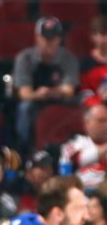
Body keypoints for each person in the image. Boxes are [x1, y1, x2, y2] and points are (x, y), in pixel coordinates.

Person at [14, 16, 79, 150]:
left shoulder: (69, 58)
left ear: (59, 39)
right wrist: (40, 94)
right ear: (37, 37)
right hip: (35, 100)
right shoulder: (24, 58)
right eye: (45, 38)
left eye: (53, 38)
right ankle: (22, 147)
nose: (49, 42)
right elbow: (24, 94)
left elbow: (69, 91)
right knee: (24, 107)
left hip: (59, 100)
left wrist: (49, 92)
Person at [59, 103, 107, 192]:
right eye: (101, 121)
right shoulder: (75, 144)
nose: (105, 125)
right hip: (81, 195)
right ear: (87, 123)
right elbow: (78, 160)